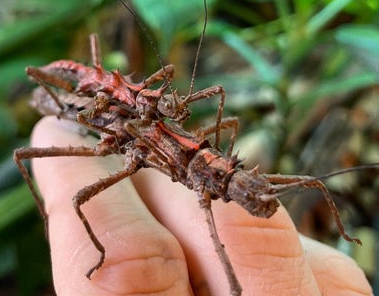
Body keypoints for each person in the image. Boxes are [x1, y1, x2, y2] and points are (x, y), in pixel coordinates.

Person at [31, 116, 372, 296]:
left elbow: (314, 183)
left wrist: (344, 234)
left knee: (312, 181)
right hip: (110, 131)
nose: (261, 204)